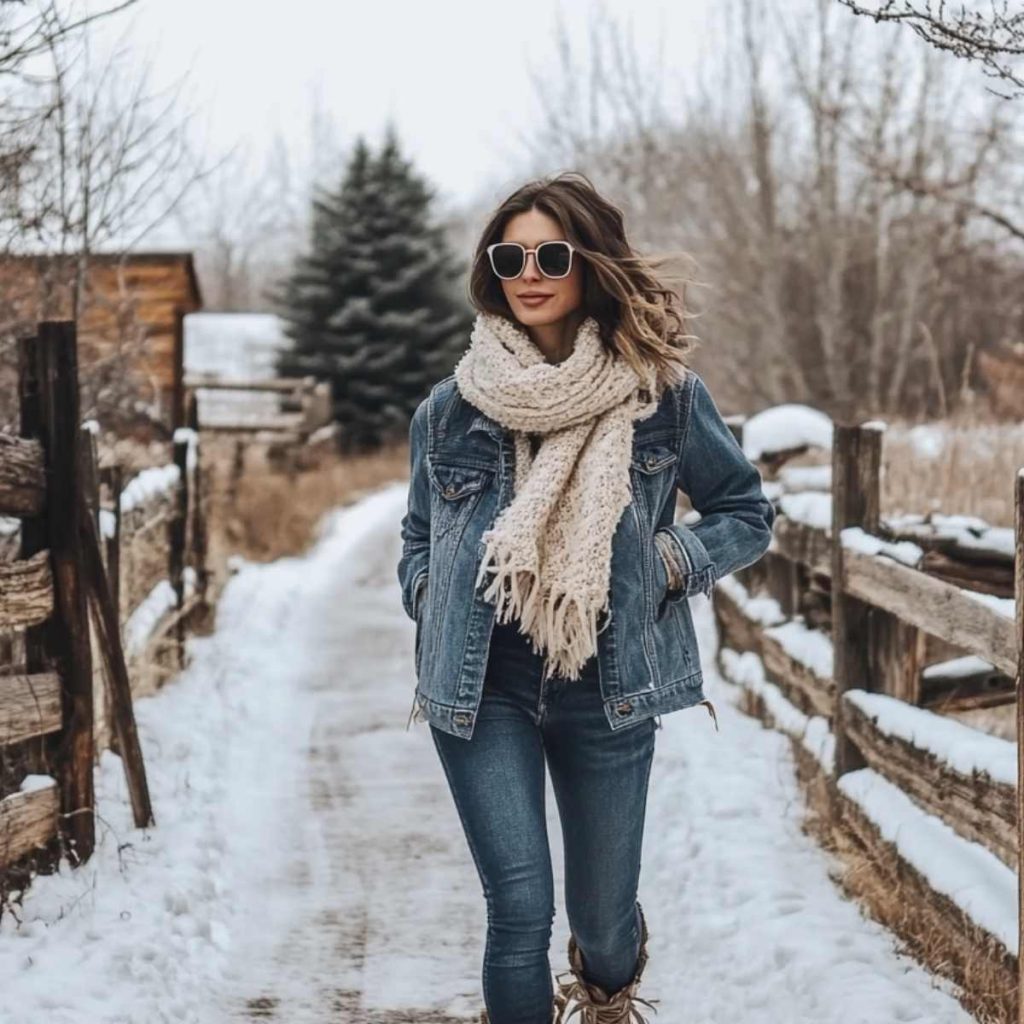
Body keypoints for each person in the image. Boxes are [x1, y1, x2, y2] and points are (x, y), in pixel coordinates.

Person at [397, 171, 776, 1024]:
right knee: (518, 913)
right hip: (479, 687)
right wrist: (429, 597)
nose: (529, 272)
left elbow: (747, 513)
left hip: (607, 687)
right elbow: (417, 537)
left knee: (601, 923)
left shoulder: (665, 398)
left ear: (589, 264)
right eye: (510, 256)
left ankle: (607, 991)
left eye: (551, 254)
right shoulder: (449, 410)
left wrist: (670, 563)